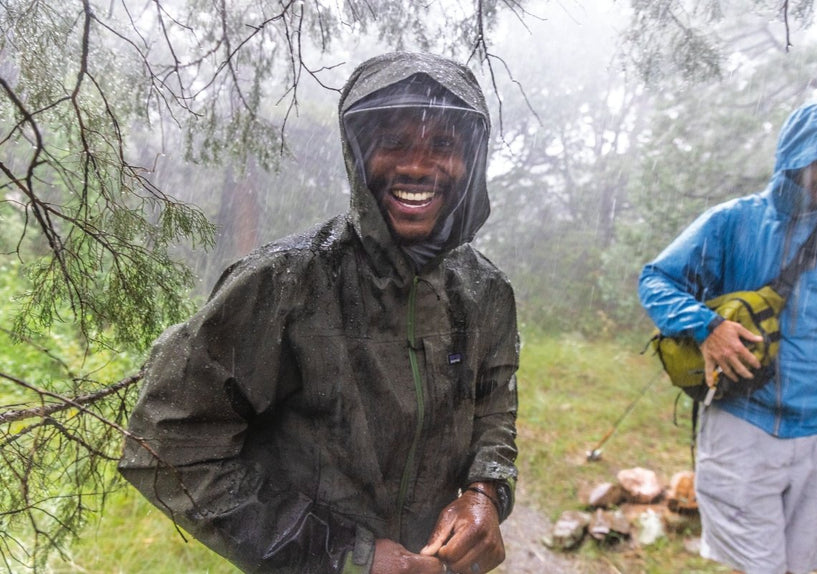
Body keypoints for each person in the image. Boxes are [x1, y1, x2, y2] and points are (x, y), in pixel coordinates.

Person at [119, 52, 519, 574]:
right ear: (358, 154)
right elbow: (167, 444)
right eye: (394, 142)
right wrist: (341, 554)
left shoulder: (486, 290)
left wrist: (486, 493)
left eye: (443, 144)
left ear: (470, 159)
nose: (418, 166)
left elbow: (494, 409)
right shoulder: (285, 283)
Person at [639, 95, 817, 574]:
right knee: (759, 567)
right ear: (797, 157)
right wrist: (708, 326)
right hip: (744, 421)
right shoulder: (733, 222)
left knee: (805, 567)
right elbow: (655, 280)